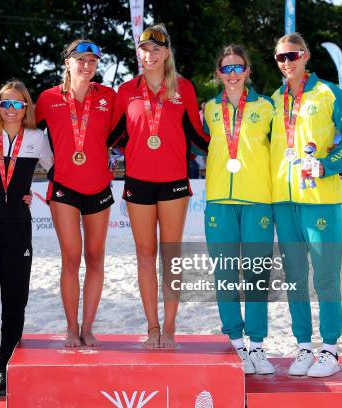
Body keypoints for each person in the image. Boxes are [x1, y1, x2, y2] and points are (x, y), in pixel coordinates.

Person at [108, 24, 209, 348]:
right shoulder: (126, 91)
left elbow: (197, 135)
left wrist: (230, 148)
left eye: (156, 49)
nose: (149, 55)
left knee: (171, 256)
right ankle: (151, 327)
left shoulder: (184, 88)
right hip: (138, 183)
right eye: (144, 49)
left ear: (167, 53)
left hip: (173, 184)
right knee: (144, 254)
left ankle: (169, 328)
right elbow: (111, 137)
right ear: (138, 52)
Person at [270, 33, 342, 377]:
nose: (287, 62)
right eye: (280, 57)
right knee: (295, 279)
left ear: (305, 55)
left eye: (292, 55)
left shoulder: (328, 94)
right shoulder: (275, 99)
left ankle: (331, 350)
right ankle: (304, 348)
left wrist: (326, 164)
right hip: (283, 201)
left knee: (325, 278)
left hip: (320, 199)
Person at [0, 81, 53, 398]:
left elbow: (57, 170)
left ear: (26, 108)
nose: (11, 109)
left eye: (18, 104)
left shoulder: (36, 138)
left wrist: (40, 195)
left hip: (18, 227)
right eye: (6, 103)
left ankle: (7, 373)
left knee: (15, 302)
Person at [36, 39, 116, 348]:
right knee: (71, 258)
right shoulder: (47, 98)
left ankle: (88, 327)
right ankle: (71, 327)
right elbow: (21, 129)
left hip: (99, 187)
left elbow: (127, 127)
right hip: (64, 188)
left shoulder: (108, 97)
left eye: (92, 61)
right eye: (80, 60)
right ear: (67, 62)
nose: (86, 65)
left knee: (95, 258)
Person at [202, 44, 275, 374]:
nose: (232, 74)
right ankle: (236, 344)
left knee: (258, 275)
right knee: (226, 276)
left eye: (238, 67)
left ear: (247, 71)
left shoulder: (267, 107)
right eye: (226, 68)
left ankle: (257, 346)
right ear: (219, 74)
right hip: (219, 202)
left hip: (259, 200)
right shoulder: (209, 109)